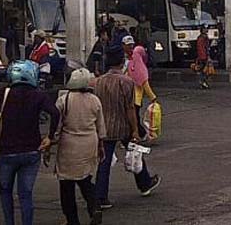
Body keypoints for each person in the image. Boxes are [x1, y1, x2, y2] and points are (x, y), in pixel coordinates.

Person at [0, 60, 60, 225]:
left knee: (5, 191)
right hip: (31, 151)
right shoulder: (38, 94)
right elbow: (55, 113)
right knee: (25, 194)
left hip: (7, 152)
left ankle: (9, 222)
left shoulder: (4, 93)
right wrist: (49, 136)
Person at [93, 46, 161, 210]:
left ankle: (100, 197)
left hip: (104, 126)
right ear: (122, 62)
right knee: (135, 152)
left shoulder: (99, 82)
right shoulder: (126, 81)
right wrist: (135, 130)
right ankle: (144, 183)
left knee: (104, 161)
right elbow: (130, 108)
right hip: (123, 124)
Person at [52, 68, 105, 225]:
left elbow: (56, 126)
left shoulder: (64, 99)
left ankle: (72, 220)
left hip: (69, 145)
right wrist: (100, 145)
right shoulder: (94, 100)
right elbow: (101, 127)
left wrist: (51, 142)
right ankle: (94, 207)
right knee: (86, 180)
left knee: (66, 185)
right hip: (90, 143)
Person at [128, 42, 157, 141]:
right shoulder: (141, 68)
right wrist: (153, 97)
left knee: (132, 119)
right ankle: (141, 135)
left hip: (129, 98)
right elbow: (145, 85)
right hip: (137, 99)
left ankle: (140, 135)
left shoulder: (130, 64)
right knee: (135, 118)